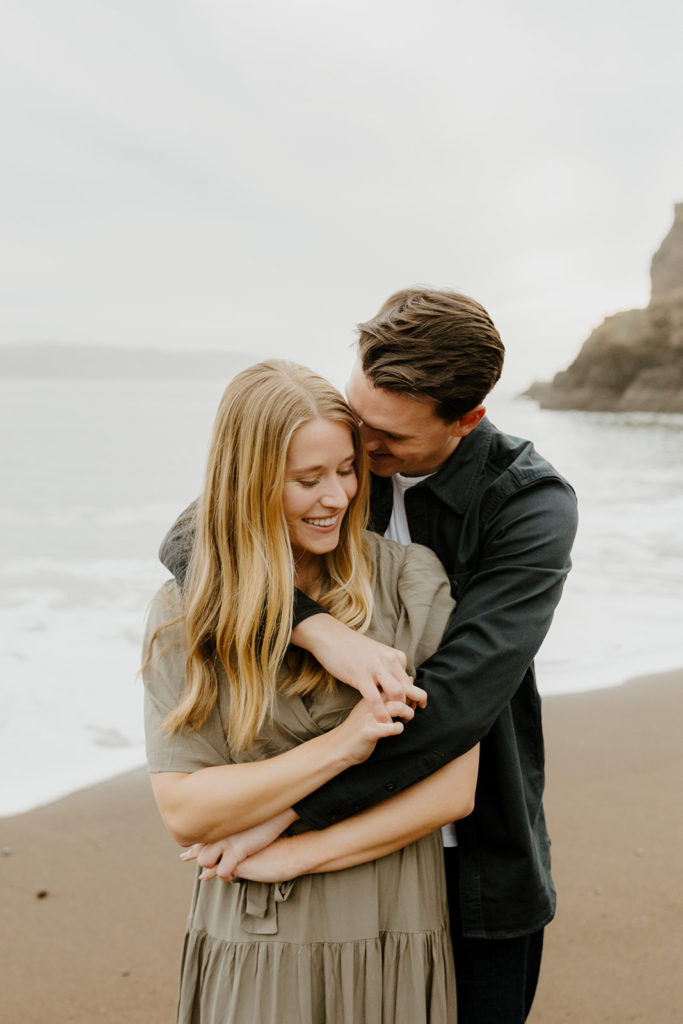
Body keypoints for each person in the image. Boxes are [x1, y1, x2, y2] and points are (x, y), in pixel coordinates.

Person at [161, 289, 578, 1024]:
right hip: (334, 887)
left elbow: (452, 703)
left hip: (469, 856)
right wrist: (317, 628)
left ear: (466, 420)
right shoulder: (341, 459)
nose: (361, 450)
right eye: (358, 418)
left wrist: (290, 821)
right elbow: (195, 541)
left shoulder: (527, 504)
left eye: (385, 442)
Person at [143, 359, 479, 1024]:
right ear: (248, 481)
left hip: (395, 927)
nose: (337, 496)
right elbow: (185, 810)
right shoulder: (187, 611)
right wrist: (343, 745)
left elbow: (451, 790)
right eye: (307, 479)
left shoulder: (410, 582)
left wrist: (291, 851)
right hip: (257, 938)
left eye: (346, 470)